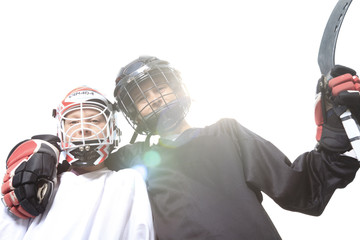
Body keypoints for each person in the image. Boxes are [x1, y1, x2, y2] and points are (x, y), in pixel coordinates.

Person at [106, 56, 360, 239]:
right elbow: (76, 182)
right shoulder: (129, 160)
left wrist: (336, 136)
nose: (154, 99)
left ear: (177, 89)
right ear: (133, 114)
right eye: (142, 98)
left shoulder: (227, 134)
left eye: (160, 88)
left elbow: (302, 190)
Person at [1, 86, 155, 240]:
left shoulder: (129, 182)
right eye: (73, 122)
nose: (83, 128)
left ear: (111, 128)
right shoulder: (35, 185)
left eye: (94, 120)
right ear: (60, 131)